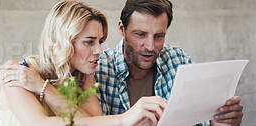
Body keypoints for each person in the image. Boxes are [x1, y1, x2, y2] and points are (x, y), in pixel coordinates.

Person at [0, 1, 158, 125]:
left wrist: (42, 87)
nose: (99, 51)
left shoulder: (83, 76)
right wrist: (124, 119)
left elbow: (95, 123)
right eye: (89, 42)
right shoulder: (19, 72)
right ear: (61, 42)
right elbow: (39, 123)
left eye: (100, 42)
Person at [95, 0, 243, 125]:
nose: (150, 46)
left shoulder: (178, 60)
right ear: (122, 28)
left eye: (159, 36)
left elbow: (200, 121)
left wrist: (219, 120)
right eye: (140, 34)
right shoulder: (100, 69)